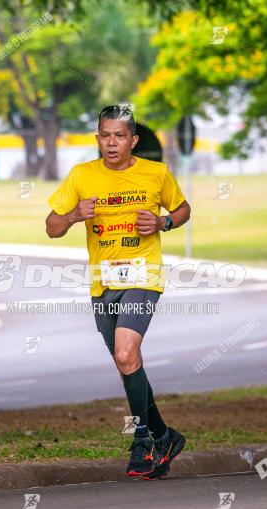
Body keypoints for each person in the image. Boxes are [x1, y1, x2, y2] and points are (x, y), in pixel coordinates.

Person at [45, 105, 191, 480]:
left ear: (133, 140)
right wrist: (75, 215)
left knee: (127, 352)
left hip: (144, 276)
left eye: (120, 136)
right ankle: (165, 436)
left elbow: (183, 209)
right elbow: (51, 227)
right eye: (105, 135)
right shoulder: (82, 176)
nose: (112, 143)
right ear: (97, 139)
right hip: (102, 283)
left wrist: (163, 221)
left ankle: (142, 439)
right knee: (127, 364)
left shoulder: (155, 173)